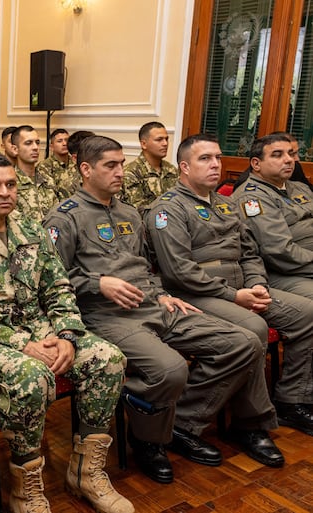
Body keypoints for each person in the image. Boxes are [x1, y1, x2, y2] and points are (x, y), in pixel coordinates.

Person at [43, 135, 282, 483]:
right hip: (103, 314)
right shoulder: (65, 218)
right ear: (85, 169)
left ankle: (177, 423)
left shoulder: (127, 212)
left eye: (122, 164)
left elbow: (143, 264)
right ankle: (148, 439)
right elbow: (50, 280)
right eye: (110, 165)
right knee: (170, 369)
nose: (120, 172)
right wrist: (98, 283)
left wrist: (159, 293)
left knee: (243, 343)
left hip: (151, 305)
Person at [0, 152, 132, 513]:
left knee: (108, 358)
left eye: (11, 184)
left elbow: (58, 287)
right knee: (32, 377)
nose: (4, 192)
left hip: (41, 329)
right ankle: (25, 486)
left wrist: (68, 334)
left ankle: (87, 472)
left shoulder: (30, 228)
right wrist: (23, 344)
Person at [145, 133, 313, 438]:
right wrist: (235, 295)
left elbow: (250, 252)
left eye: (218, 158)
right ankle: (251, 423)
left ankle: (293, 398)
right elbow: (180, 271)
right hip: (198, 293)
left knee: (306, 313)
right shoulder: (167, 209)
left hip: (242, 287)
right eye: (205, 159)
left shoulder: (225, 203)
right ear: (184, 167)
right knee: (254, 328)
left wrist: (258, 284)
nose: (215, 165)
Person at [233, 133, 313, 300]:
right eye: (277, 155)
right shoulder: (252, 198)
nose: (289, 160)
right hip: (287, 271)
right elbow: (279, 251)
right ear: (256, 164)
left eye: (291, 154)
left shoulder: (299, 187)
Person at [120, 122, 178, 213]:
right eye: (159, 140)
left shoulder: (171, 170)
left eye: (166, 139)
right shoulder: (131, 173)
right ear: (144, 144)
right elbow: (137, 210)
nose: (165, 143)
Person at [11, 125, 58, 222]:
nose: (35, 147)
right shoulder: (9, 182)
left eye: (37, 143)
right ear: (15, 149)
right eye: (28, 143)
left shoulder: (47, 179)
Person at [37, 128, 80, 201]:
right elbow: (49, 196)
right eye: (59, 141)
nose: (64, 144)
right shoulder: (44, 166)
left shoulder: (76, 161)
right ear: (51, 147)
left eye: (66, 140)